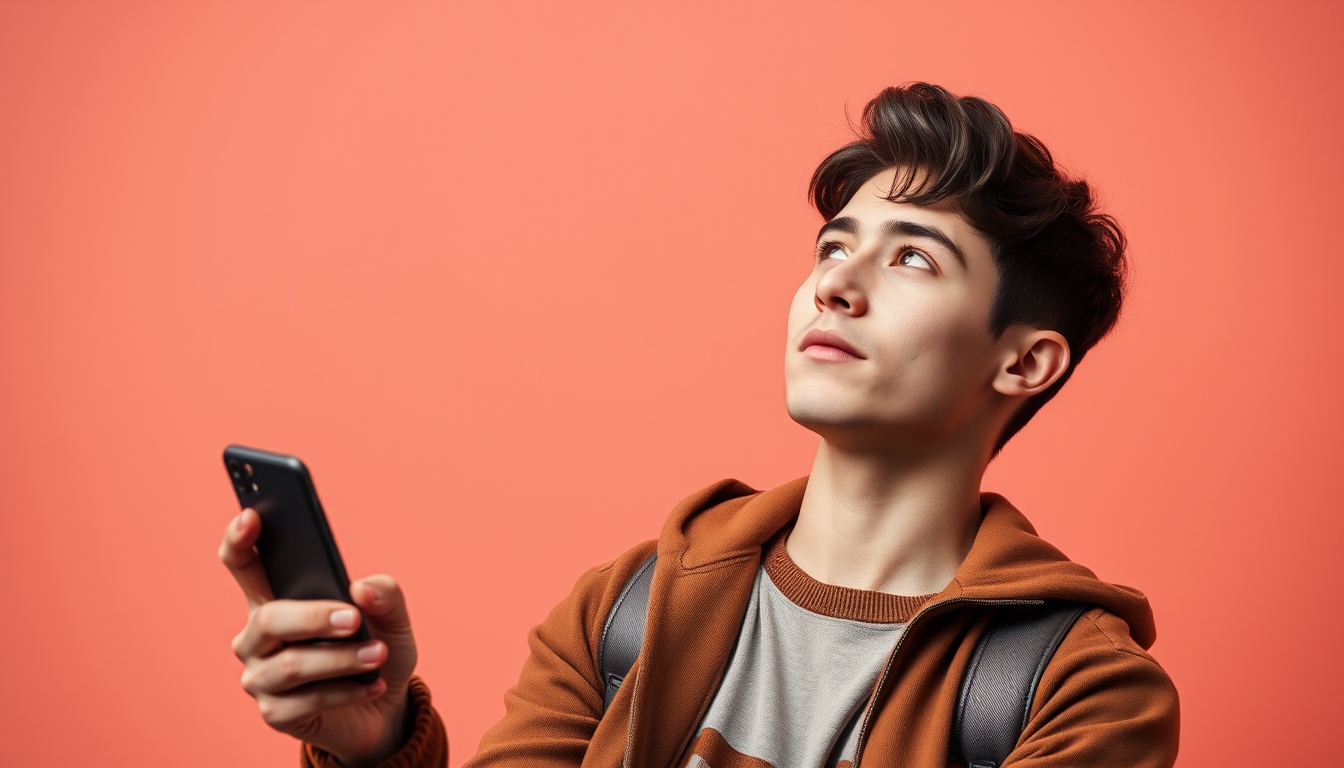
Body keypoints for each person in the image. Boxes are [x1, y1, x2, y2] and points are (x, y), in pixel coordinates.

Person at [219, 82, 1180, 768]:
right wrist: (377, 747)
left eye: (913, 260)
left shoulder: (1079, 695)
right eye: (833, 246)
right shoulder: (625, 608)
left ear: (1024, 361)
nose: (836, 285)